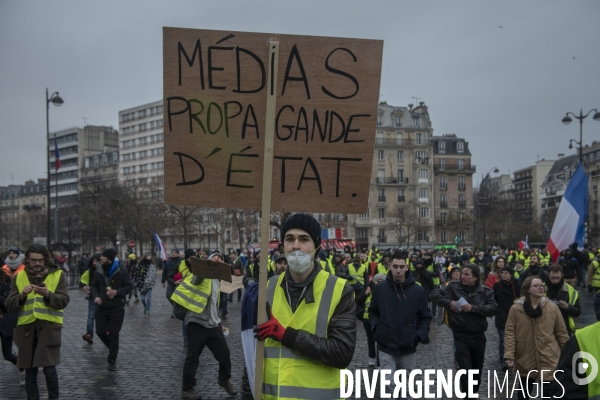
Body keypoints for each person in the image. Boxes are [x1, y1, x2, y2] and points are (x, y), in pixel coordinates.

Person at [252, 213, 356, 400]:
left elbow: (342, 353)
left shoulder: (339, 290)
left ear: (316, 247)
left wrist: (287, 336)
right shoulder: (267, 288)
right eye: (290, 239)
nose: (296, 245)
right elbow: (253, 354)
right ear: (283, 246)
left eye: (304, 239)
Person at [5, 244, 70, 400]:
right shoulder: (19, 276)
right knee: (30, 370)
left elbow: (64, 300)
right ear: (27, 259)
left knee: (49, 369)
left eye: (40, 260)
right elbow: (9, 305)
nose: (37, 264)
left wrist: (48, 294)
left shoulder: (57, 274)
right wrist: (21, 296)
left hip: (49, 328)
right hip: (26, 329)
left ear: (46, 259)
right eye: (33, 260)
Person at [172, 250, 237, 400]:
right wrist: (206, 268)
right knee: (192, 358)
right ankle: (187, 389)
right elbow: (196, 279)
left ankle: (224, 379)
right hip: (196, 323)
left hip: (213, 325)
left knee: (225, 355)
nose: (217, 259)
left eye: (220, 258)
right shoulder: (199, 274)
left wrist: (218, 322)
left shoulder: (217, 281)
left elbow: (214, 304)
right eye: (214, 257)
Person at [369, 252, 432, 397]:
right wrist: (377, 328)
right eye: (395, 266)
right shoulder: (380, 289)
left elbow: (425, 316)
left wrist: (418, 336)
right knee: (388, 387)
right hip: (385, 346)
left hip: (408, 347)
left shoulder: (417, 290)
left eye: (401, 267)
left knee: (406, 389)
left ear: (407, 267)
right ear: (389, 266)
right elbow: (373, 311)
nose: (398, 270)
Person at [430, 264, 497, 396]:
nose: (463, 277)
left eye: (467, 274)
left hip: (478, 335)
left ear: (475, 278)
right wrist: (450, 303)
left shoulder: (486, 292)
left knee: (476, 370)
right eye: (462, 273)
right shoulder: (453, 286)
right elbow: (434, 294)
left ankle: (472, 391)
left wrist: (474, 308)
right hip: (460, 334)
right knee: (465, 369)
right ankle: (467, 394)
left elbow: (493, 308)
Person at [504, 277, 569, 399]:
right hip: (525, 356)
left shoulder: (552, 308)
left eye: (542, 285)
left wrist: (567, 355)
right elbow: (510, 332)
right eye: (536, 285)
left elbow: (561, 333)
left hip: (549, 355)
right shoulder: (516, 309)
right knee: (523, 393)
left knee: (548, 393)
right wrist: (509, 354)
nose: (540, 288)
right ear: (527, 289)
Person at [91, 248, 133, 371]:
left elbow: (130, 286)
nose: (101, 258)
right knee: (100, 331)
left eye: (103, 256)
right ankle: (113, 348)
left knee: (113, 334)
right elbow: (94, 285)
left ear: (109, 258)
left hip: (117, 306)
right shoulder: (99, 269)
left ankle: (112, 359)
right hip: (102, 306)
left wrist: (117, 292)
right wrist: (96, 296)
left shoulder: (121, 269)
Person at [492, 265, 521, 371]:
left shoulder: (517, 285)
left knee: (516, 339)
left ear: (511, 275)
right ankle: (504, 361)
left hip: (515, 316)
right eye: (502, 273)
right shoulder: (497, 286)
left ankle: (515, 359)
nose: (503, 275)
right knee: (503, 339)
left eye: (506, 273)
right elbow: (493, 300)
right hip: (502, 316)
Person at [0, 262, 24, 385]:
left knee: (8, 354)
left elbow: (8, 303)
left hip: (5, 322)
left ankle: (24, 367)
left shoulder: (8, 283)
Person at [356, 273, 385, 367]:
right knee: (371, 339)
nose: (379, 283)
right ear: (373, 282)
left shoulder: (387, 291)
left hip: (381, 320)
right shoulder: (368, 289)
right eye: (377, 281)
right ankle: (371, 358)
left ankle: (380, 362)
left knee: (380, 340)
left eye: (381, 281)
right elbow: (358, 301)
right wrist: (365, 294)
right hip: (367, 319)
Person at [545, 264, 581, 336]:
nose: (555, 280)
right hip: (545, 328)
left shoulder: (571, 291)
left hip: (565, 328)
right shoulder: (540, 288)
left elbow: (578, 312)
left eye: (557, 278)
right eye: (552, 277)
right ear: (548, 275)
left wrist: (568, 307)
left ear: (562, 276)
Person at [81, 253, 101, 344]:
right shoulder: (89, 271)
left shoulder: (104, 269)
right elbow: (83, 279)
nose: (94, 263)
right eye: (93, 261)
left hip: (103, 296)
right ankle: (89, 335)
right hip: (92, 296)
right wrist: (84, 285)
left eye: (96, 261)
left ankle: (107, 334)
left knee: (103, 317)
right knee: (91, 316)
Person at [163, 248, 181, 316]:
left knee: (176, 296)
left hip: (178, 281)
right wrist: (163, 281)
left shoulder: (181, 261)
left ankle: (175, 310)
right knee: (168, 295)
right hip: (170, 281)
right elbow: (165, 271)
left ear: (178, 253)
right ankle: (175, 307)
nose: (173, 253)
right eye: (172, 252)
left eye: (174, 252)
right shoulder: (168, 261)